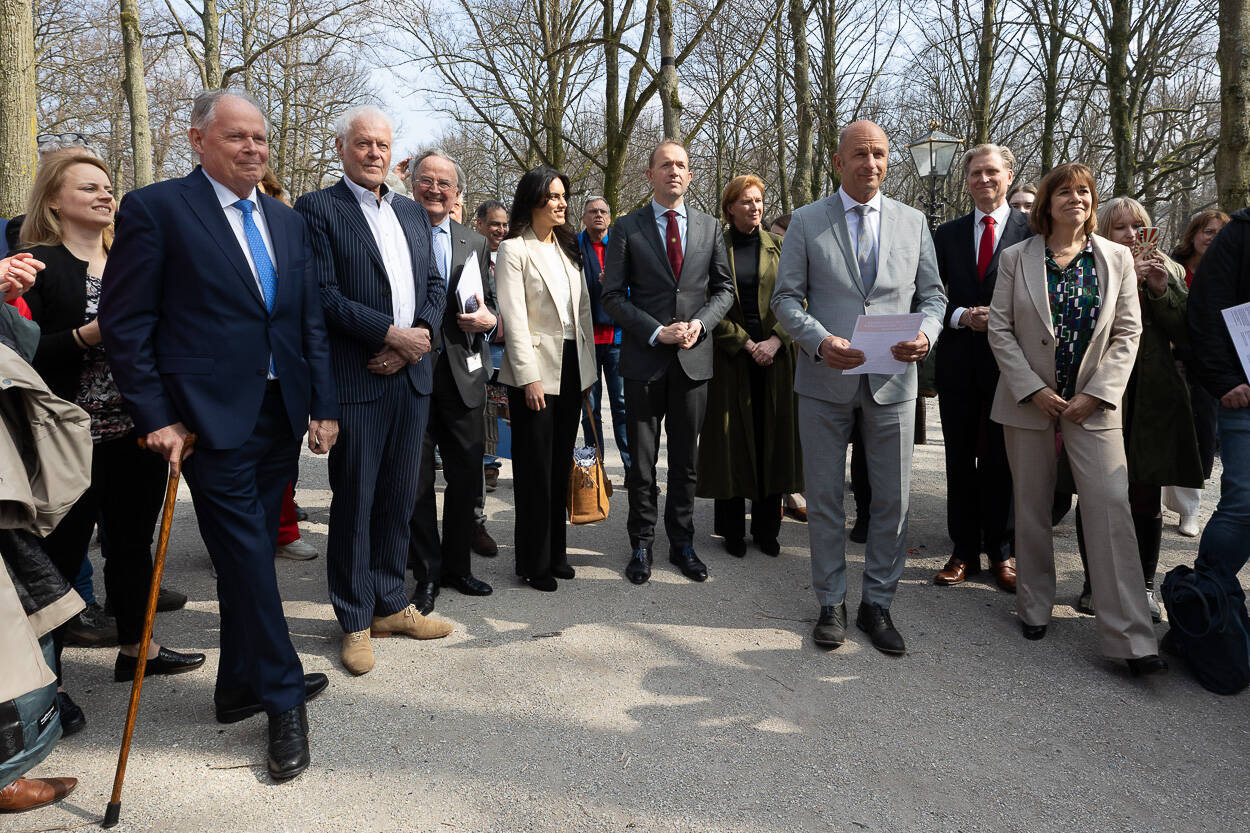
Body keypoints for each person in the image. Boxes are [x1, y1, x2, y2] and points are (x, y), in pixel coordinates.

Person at [100, 89, 341, 780]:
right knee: (244, 552)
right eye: (237, 137)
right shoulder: (157, 209)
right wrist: (155, 415)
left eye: (260, 138)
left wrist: (322, 403)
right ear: (197, 138)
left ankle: (239, 682)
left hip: (280, 413)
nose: (253, 149)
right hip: (207, 419)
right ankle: (283, 692)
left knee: (251, 551)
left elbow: (307, 323)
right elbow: (126, 324)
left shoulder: (286, 222)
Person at [17, 153, 206, 735]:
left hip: (134, 434)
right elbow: (21, 355)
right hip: (64, 441)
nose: (105, 196)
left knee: (132, 547)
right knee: (57, 562)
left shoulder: (133, 260)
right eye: (89, 187)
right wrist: (87, 334)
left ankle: (138, 651)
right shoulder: (36, 266)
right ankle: (46, 683)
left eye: (107, 187)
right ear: (54, 200)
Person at [772, 120, 946, 656]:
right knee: (824, 499)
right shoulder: (805, 222)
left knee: (891, 502)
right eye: (860, 155)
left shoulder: (913, 222)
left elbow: (934, 296)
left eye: (879, 155)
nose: (870, 163)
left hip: (893, 383)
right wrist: (819, 341)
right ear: (838, 161)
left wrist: (926, 334)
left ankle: (878, 604)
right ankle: (831, 602)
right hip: (825, 381)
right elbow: (785, 301)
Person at [986, 162, 1165, 676]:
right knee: (1033, 505)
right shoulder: (1018, 258)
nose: (1077, 199)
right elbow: (1000, 330)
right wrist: (1034, 388)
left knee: (1110, 509)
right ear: (1047, 203)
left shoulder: (1115, 259)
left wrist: (1097, 393)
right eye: (1065, 191)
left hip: (1095, 405)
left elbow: (1128, 333)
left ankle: (1131, 636)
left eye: (1085, 191)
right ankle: (1034, 606)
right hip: (1028, 402)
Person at [294, 108, 454, 676]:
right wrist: (388, 334)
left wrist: (421, 339)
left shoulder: (412, 212)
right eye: (363, 143)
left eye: (383, 145)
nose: (374, 153)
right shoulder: (318, 209)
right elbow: (322, 294)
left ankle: (390, 602)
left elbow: (435, 283)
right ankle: (354, 618)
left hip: (411, 380)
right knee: (356, 501)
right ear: (340, 147)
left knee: (400, 497)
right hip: (359, 379)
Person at [601, 141, 735, 584]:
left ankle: (682, 542)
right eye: (665, 165)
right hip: (644, 360)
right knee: (641, 463)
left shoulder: (710, 226)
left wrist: (700, 324)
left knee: (685, 462)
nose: (673, 171)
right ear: (650, 174)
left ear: (690, 175)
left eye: (681, 165)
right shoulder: (627, 227)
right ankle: (641, 543)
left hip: (693, 362)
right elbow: (612, 295)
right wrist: (657, 332)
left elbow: (724, 290)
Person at [1070, 197, 1201, 622]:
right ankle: (1096, 584)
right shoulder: (1088, 265)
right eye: (1120, 227)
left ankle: (1143, 586)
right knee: (1098, 494)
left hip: (1154, 398)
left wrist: (1160, 290)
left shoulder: (1171, 269)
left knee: (1145, 496)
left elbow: (1186, 331)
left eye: (1136, 226)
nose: (1130, 235)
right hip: (1104, 390)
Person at [931, 144, 1031, 592]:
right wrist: (961, 317)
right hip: (958, 362)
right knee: (959, 458)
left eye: (992, 172)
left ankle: (1003, 551)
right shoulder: (947, 234)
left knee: (1003, 460)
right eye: (975, 173)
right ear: (966, 179)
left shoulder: (1033, 233)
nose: (983, 180)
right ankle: (963, 551)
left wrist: (1004, 318)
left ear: (1009, 176)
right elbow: (930, 294)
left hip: (1013, 366)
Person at [495, 166, 597, 591]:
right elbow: (515, 320)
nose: (561, 203)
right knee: (535, 469)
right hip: (535, 372)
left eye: (563, 196)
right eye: (553, 196)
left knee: (559, 465)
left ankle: (556, 552)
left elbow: (582, 315)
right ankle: (533, 562)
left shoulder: (568, 249)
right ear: (533, 200)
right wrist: (528, 377)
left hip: (573, 366)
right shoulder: (514, 250)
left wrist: (589, 371)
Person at [406, 151, 497, 615]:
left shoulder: (473, 242)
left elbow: (492, 303)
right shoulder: (396, 232)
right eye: (427, 180)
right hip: (411, 375)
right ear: (412, 184)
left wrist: (489, 317)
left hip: (464, 376)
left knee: (466, 477)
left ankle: (459, 567)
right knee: (418, 481)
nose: (436, 189)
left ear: (458, 193)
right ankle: (426, 572)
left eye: (445, 183)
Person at [697, 175, 801, 556]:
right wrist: (744, 342)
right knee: (732, 442)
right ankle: (731, 531)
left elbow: (799, 299)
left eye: (759, 200)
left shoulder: (781, 247)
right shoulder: (714, 249)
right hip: (732, 360)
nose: (755, 207)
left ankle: (767, 530)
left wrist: (775, 341)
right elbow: (704, 300)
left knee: (772, 440)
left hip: (775, 360)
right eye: (746, 202)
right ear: (729, 208)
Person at [1187, 202, 1250, 632]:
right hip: (1244, 396)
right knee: (1244, 503)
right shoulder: (1241, 232)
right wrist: (1224, 379)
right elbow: (1206, 308)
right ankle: (1204, 607)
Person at [258, 168, 319, 562]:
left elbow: (308, 312)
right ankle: (235, 552)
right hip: (235, 385)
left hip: (286, 378)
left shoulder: (287, 227)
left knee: (281, 473)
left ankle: (281, 532)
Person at [1168, 209, 1232, 536]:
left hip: (1206, 368)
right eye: (1208, 231)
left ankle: (1188, 510)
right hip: (1167, 364)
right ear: (1193, 234)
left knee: (1198, 438)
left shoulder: (1231, 272)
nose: (1213, 237)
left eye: (1221, 232)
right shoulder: (1173, 268)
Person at [579, 196, 630, 471]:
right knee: (590, 410)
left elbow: (637, 286)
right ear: (584, 218)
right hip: (586, 340)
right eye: (592, 212)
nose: (598, 215)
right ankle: (592, 470)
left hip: (616, 339)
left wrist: (617, 285)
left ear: (609, 217)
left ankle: (632, 469)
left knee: (622, 406)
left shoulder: (622, 246)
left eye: (602, 211)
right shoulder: (574, 247)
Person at [476, 199, 510, 491]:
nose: (500, 230)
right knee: (487, 406)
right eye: (494, 224)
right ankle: (488, 465)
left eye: (503, 224)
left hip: (512, 343)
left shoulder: (514, 255)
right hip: (481, 345)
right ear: (480, 225)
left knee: (508, 408)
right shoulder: (472, 255)